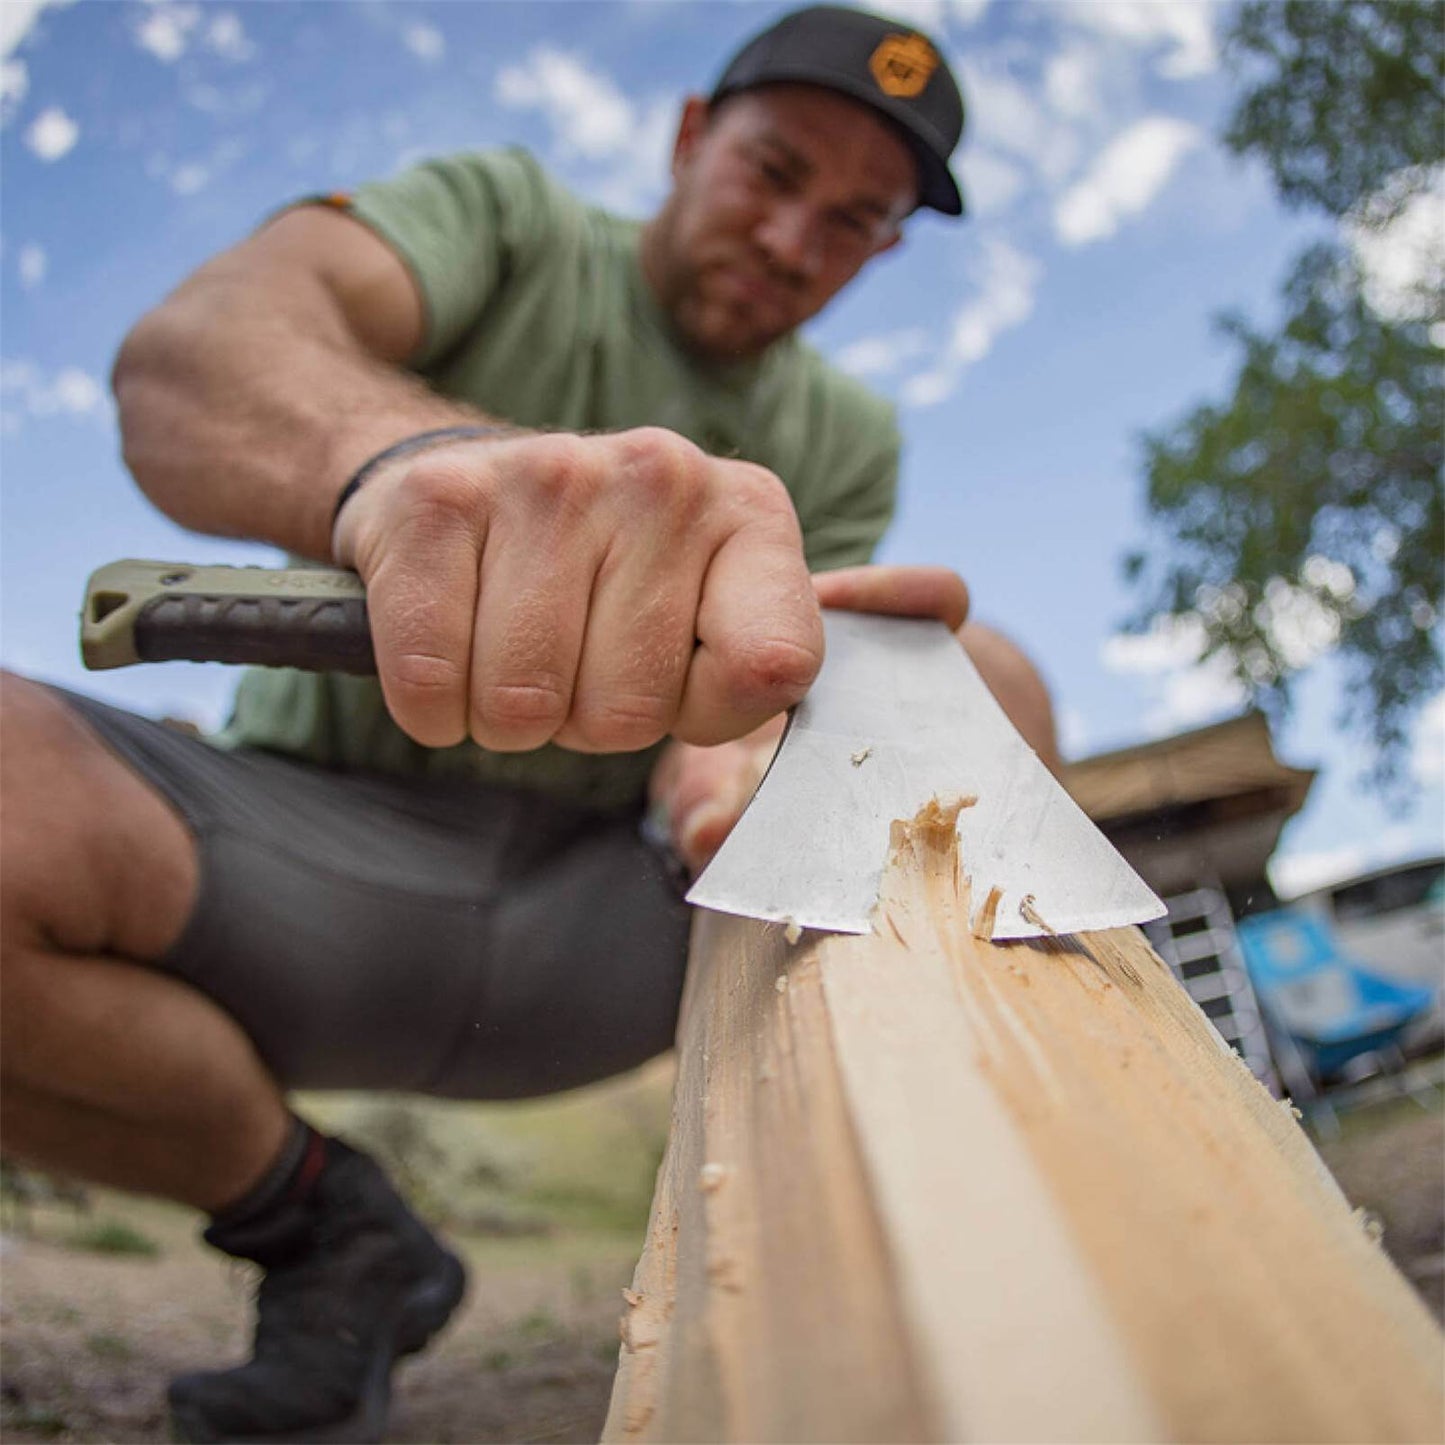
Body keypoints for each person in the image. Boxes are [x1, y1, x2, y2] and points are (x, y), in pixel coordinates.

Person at [0, 5, 1058, 1441]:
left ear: (883, 251)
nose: (796, 239)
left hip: (605, 921)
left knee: (980, 674)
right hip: (283, 878)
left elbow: (739, 709)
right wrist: (411, 463)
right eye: (772, 171)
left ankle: (981, 1255)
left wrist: (738, 770)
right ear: (689, 138)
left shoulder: (848, 435)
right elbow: (193, 356)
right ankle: (326, 1230)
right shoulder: (501, 215)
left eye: (853, 220)